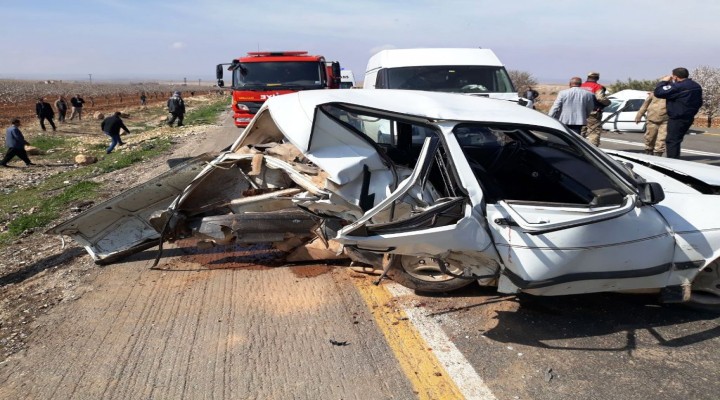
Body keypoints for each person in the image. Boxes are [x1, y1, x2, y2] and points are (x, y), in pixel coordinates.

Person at [653, 67, 703, 159]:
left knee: (672, 141)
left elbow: (658, 92)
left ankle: (673, 164)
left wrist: (664, 82)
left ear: (675, 77)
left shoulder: (678, 86)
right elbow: (700, 102)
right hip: (689, 116)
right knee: (676, 140)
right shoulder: (696, 85)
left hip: (677, 117)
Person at [580, 72, 611, 147]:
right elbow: (600, 98)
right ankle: (593, 150)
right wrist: (608, 102)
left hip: (580, 112)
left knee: (581, 131)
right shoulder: (597, 87)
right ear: (597, 78)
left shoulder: (581, 86)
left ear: (588, 77)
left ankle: (578, 147)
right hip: (593, 112)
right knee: (594, 132)